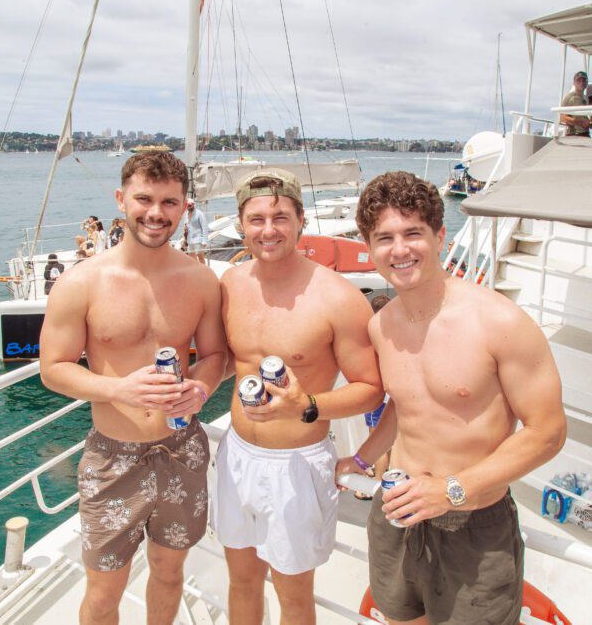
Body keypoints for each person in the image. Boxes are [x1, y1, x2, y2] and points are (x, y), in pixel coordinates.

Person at [336, 171, 566, 625]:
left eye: (412, 233)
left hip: (472, 522)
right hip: (396, 510)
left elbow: (549, 431)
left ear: (441, 236)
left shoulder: (500, 322)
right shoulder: (382, 325)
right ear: (369, 246)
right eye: (385, 238)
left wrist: (452, 490)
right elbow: (404, 406)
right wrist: (361, 460)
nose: (399, 250)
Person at [39, 151, 226, 625]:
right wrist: (119, 389)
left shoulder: (200, 281)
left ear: (185, 207)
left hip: (183, 450)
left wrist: (201, 390)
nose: (156, 213)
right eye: (144, 198)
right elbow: (53, 369)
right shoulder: (80, 283)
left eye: (169, 202)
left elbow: (216, 357)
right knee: (103, 593)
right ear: (121, 199)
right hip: (112, 456)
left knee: (169, 574)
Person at [212, 169, 382, 625]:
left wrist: (308, 405)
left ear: (301, 220)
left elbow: (370, 389)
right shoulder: (231, 282)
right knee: (241, 582)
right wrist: (190, 384)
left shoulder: (338, 297)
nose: (269, 230)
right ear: (240, 224)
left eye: (281, 217)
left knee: (293, 597)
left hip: (297, 465)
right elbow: (231, 359)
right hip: (237, 456)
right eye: (257, 219)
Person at [354, 294, 392, 501]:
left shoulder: (373, 336)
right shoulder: (397, 333)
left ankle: (376, 487)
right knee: (388, 438)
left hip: (379, 397)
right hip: (391, 395)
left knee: (377, 439)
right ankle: (379, 475)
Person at [560, 71, 589, 136]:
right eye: (578, 80)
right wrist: (580, 122)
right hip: (573, 134)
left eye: (584, 80)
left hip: (585, 134)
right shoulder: (569, 97)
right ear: (574, 83)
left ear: (587, 82)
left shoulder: (585, 98)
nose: (581, 82)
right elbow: (562, 117)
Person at [184, 198, 208, 264]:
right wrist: (185, 240)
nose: (188, 207)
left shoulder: (199, 214)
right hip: (190, 239)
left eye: (190, 205)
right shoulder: (186, 214)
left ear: (193, 205)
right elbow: (186, 226)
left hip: (198, 239)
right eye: (187, 206)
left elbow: (204, 227)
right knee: (191, 257)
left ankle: (204, 270)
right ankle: (195, 271)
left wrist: (204, 240)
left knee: (200, 256)